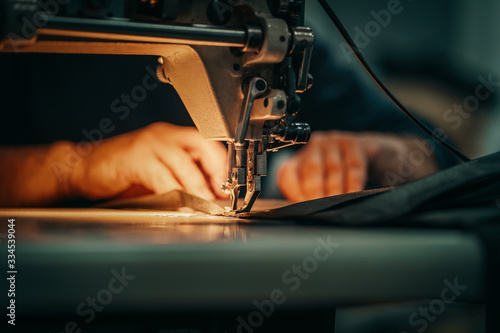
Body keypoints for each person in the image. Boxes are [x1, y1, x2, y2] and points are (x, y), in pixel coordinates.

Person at [0, 43, 457, 207]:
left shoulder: (263, 36)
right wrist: (71, 167)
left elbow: (448, 162)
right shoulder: (31, 35)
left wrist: (385, 157)